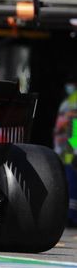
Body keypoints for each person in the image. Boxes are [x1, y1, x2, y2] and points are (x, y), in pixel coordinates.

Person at [54, 77, 77, 226]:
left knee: (70, 181)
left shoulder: (70, 101)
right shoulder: (70, 101)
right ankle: (70, 216)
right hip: (68, 148)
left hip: (68, 149)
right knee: (70, 181)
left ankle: (70, 216)